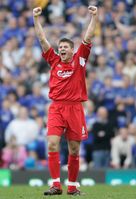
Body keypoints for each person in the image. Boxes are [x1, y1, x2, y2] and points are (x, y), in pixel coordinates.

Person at [33, 5, 98, 196]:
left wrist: (94, 17)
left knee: (74, 149)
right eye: (60, 47)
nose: (61, 49)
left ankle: (72, 186)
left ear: (72, 50)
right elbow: (42, 39)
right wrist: (36, 19)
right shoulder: (53, 60)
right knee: (52, 144)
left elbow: (88, 37)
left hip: (75, 108)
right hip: (56, 108)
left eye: (65, 47)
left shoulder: (79, 60)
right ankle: (55, 185)